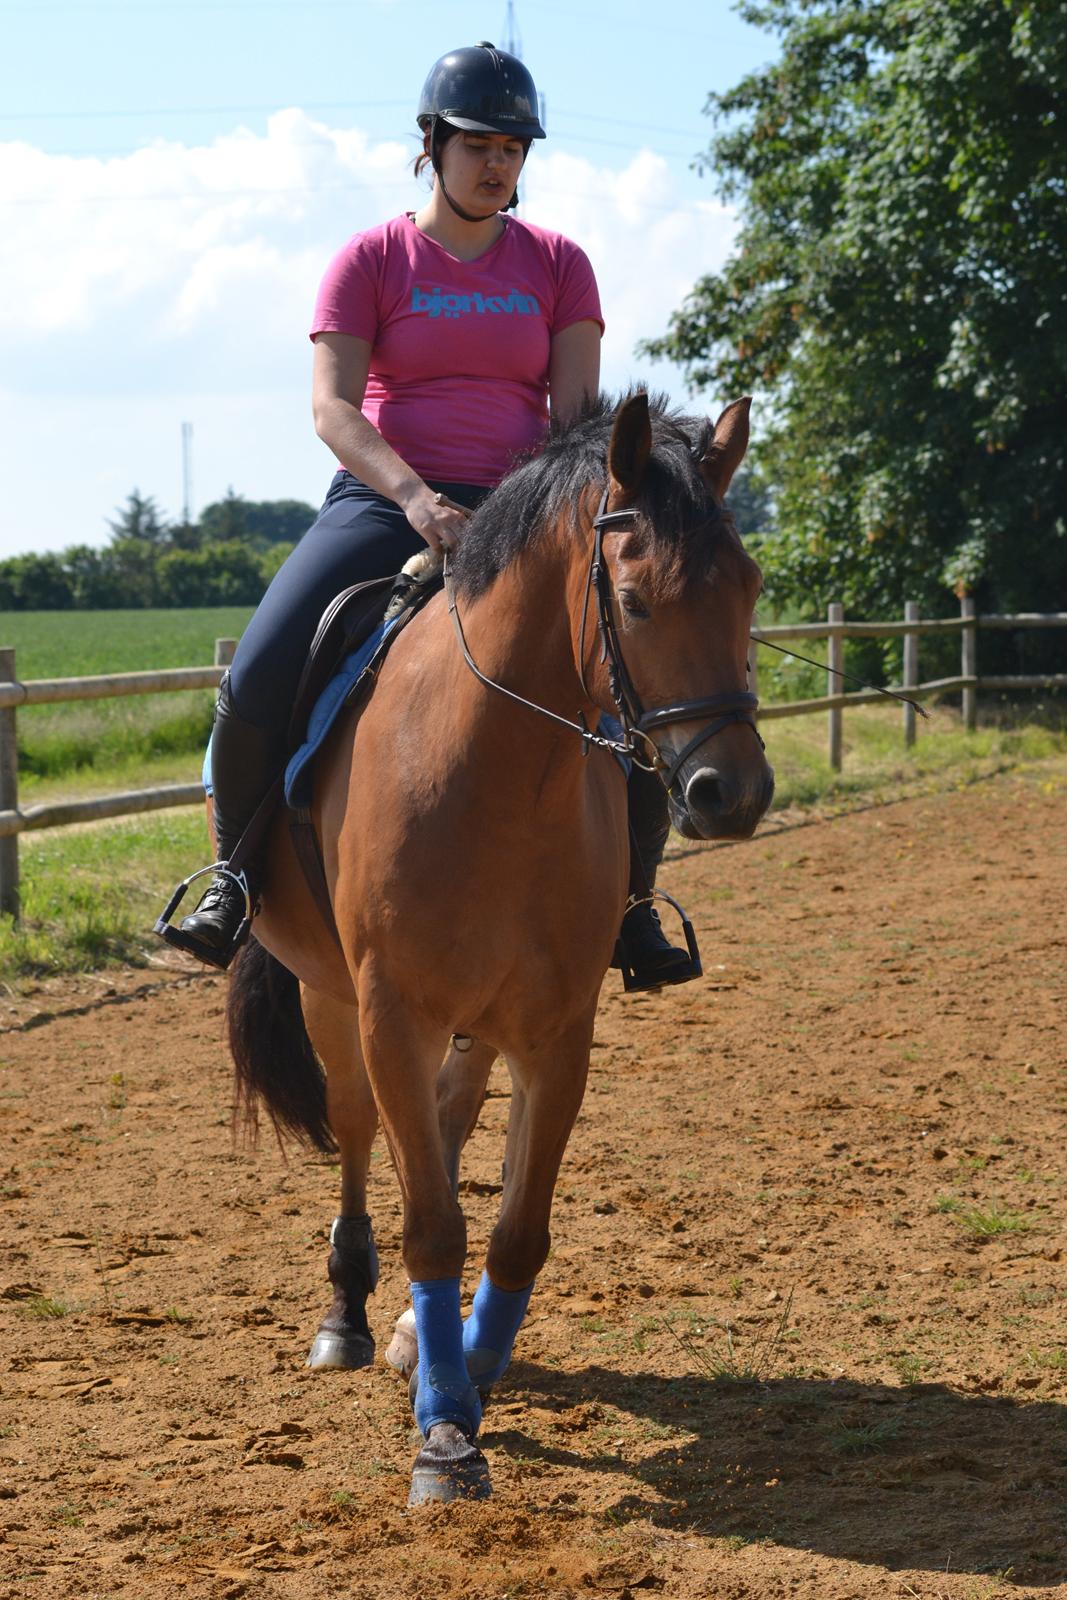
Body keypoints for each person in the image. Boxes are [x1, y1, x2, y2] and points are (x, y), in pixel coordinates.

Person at [158, 41, 696, 990]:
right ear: (432, 144)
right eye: (479, 144)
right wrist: (413, 497)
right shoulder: (370, 258)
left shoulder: (560, 265)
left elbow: (577, 423)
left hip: (525, 515)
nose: (497, 164)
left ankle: (630, 906)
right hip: (383, 502)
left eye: (513, 149)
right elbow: (332, 408)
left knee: (625, 678)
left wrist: (536, 514)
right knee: (259, 669)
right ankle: (233, 878)